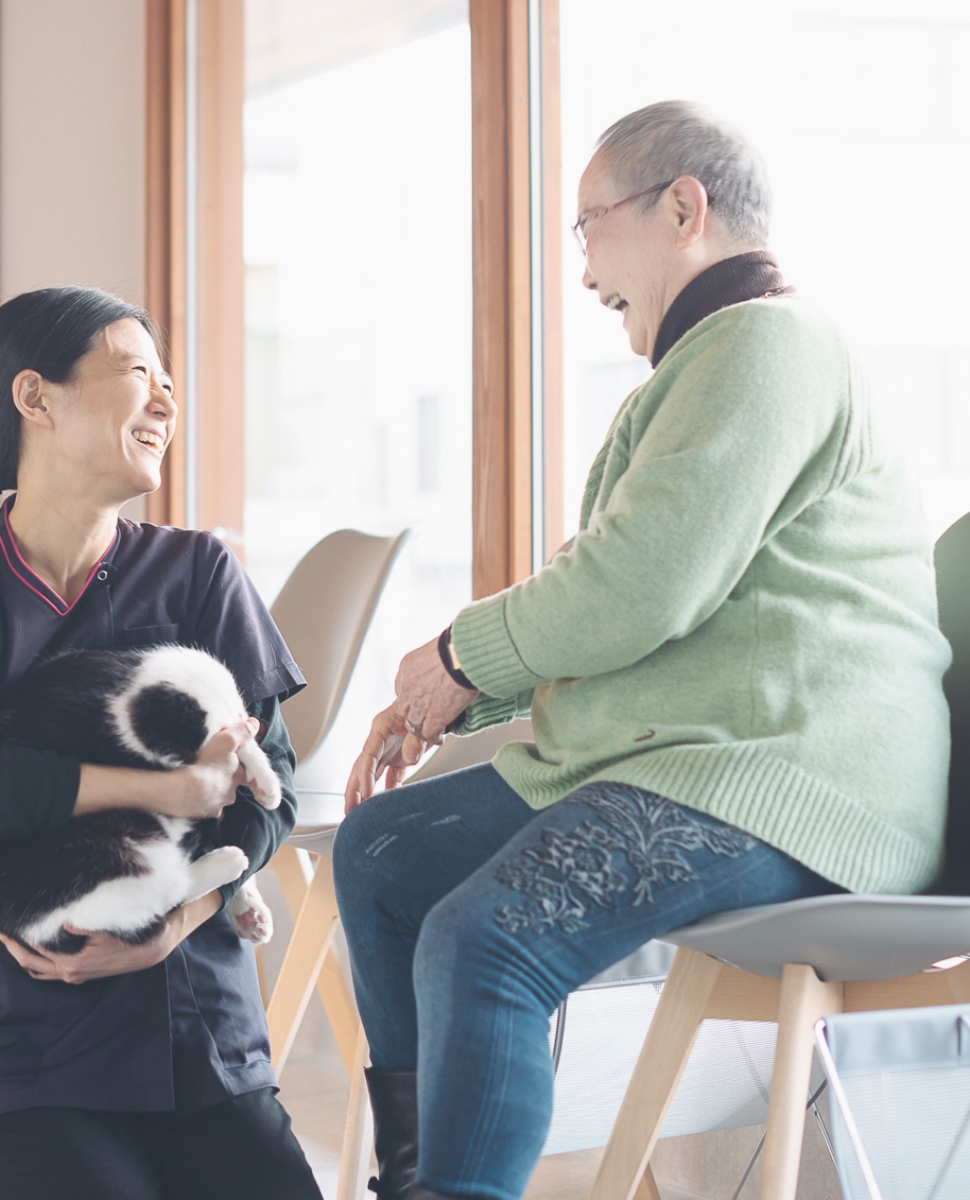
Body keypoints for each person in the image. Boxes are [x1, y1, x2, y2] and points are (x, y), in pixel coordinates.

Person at [332, 101, 951, 1200]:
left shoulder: (767, 344)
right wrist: (454, 696)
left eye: (586, 228)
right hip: (694, 755)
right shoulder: (711, 363)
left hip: (783, 776)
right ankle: (418, 1186)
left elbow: (642, 583)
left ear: (681, 208)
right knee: (382, 856)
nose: (581, 274)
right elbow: (627, 583)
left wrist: (459, 662)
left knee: (486, 942)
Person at [0, 286, 323, 1200]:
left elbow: (271, 785)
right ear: (35, 398)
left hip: (190, 1012)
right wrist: (161, 793)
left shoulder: (201, 572)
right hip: (16, 1027)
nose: (166, 400)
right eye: (135, 373)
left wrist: (178, 925)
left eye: (170, 381)